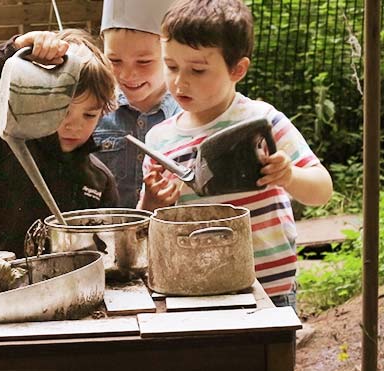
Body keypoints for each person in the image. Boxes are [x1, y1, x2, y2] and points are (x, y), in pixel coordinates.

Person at [139, 0, 333, 309]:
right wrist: (152, 201)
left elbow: (322, 190)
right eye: (171, 66)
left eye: (197, 69)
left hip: (271, 289)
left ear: (237, 69)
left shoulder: (261, 121)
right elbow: (147, 226)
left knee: (271, 360)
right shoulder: (159, 140)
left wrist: (289, 175)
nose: (179, 81)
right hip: (195, 292)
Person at [0, 29, 119, 263]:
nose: (74, 127)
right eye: (64, 111)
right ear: (39, 101)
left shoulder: (99, 180)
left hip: (63, 290)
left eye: (89, 115)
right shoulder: (5, 144)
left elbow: (108, 250)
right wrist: (17, 48)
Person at [93, 0, 181, 208]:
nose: (127, 75)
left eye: (143, 62)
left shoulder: (188, 115)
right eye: (114, 60)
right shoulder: (93, 112)